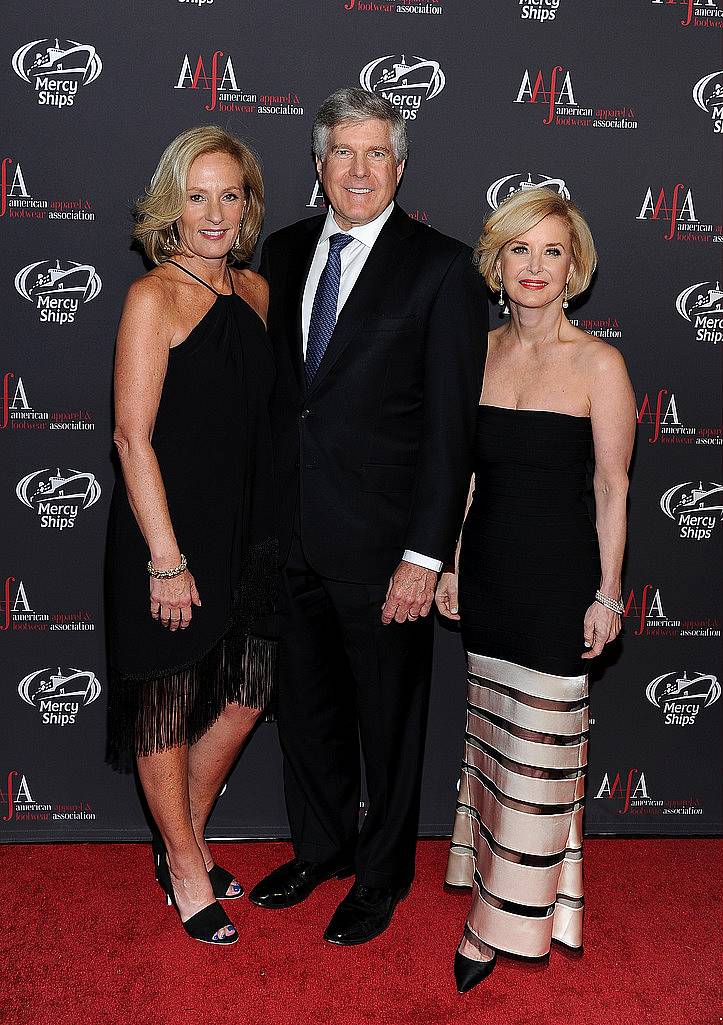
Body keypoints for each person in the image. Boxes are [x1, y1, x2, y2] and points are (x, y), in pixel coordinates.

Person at [248, 87, 488, 945]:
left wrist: (425, 554)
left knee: (387, 721)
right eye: (341, 153)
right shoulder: (278, 252)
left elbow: (450, 428)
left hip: (387, 546)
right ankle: (321, 849)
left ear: (400, 164)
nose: (357, 169)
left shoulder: (441, 267)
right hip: (291, 538)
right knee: (304, 711)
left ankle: (381, 876)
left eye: (375, 153)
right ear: (317, 167)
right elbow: (282, 403)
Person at [436, 187, 636, 992]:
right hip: (489, 579)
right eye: (520, 248)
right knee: (495, 754)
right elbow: (465, 479)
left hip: (560, 590)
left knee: (540, 760)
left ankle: (491, 925)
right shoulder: (476, 353)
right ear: (497, 260)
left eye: (550, 251)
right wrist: (449, 562)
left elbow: (612, 486)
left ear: (573, 268)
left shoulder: (599, 364)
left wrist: (608, 593)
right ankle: (522, 897)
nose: (533, 266)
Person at [105, 126, 277, 946]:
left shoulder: (256, 294)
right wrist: (165, 562)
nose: (214, 213)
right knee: (165, 708)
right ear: (170, 206)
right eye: (196, 195)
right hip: (165, 533)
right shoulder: (153, 299)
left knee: (246, 693)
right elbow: (132, 438)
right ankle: (182, 863)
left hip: (246, 532)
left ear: (247, 207)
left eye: (229, 194)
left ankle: (187, 834)